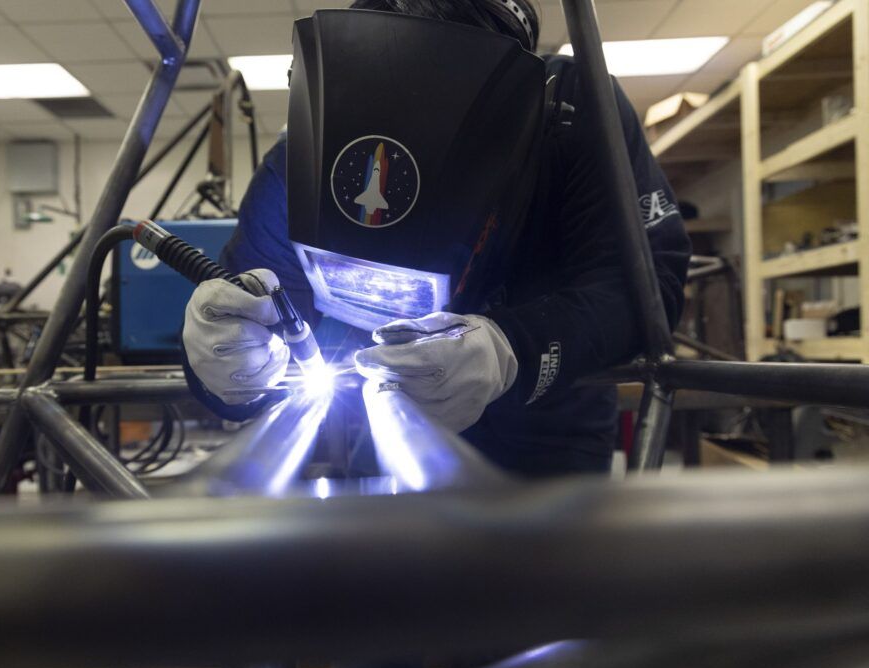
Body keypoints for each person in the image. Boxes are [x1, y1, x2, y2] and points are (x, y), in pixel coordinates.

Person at [183, 0, 691, 481]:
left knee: (545, 571)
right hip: (385, 417)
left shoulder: (575, 109)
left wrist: (511, 348)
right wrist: (225, 362)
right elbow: (257, 317)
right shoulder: (301, 163)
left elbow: (645, 291)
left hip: (545, 430)